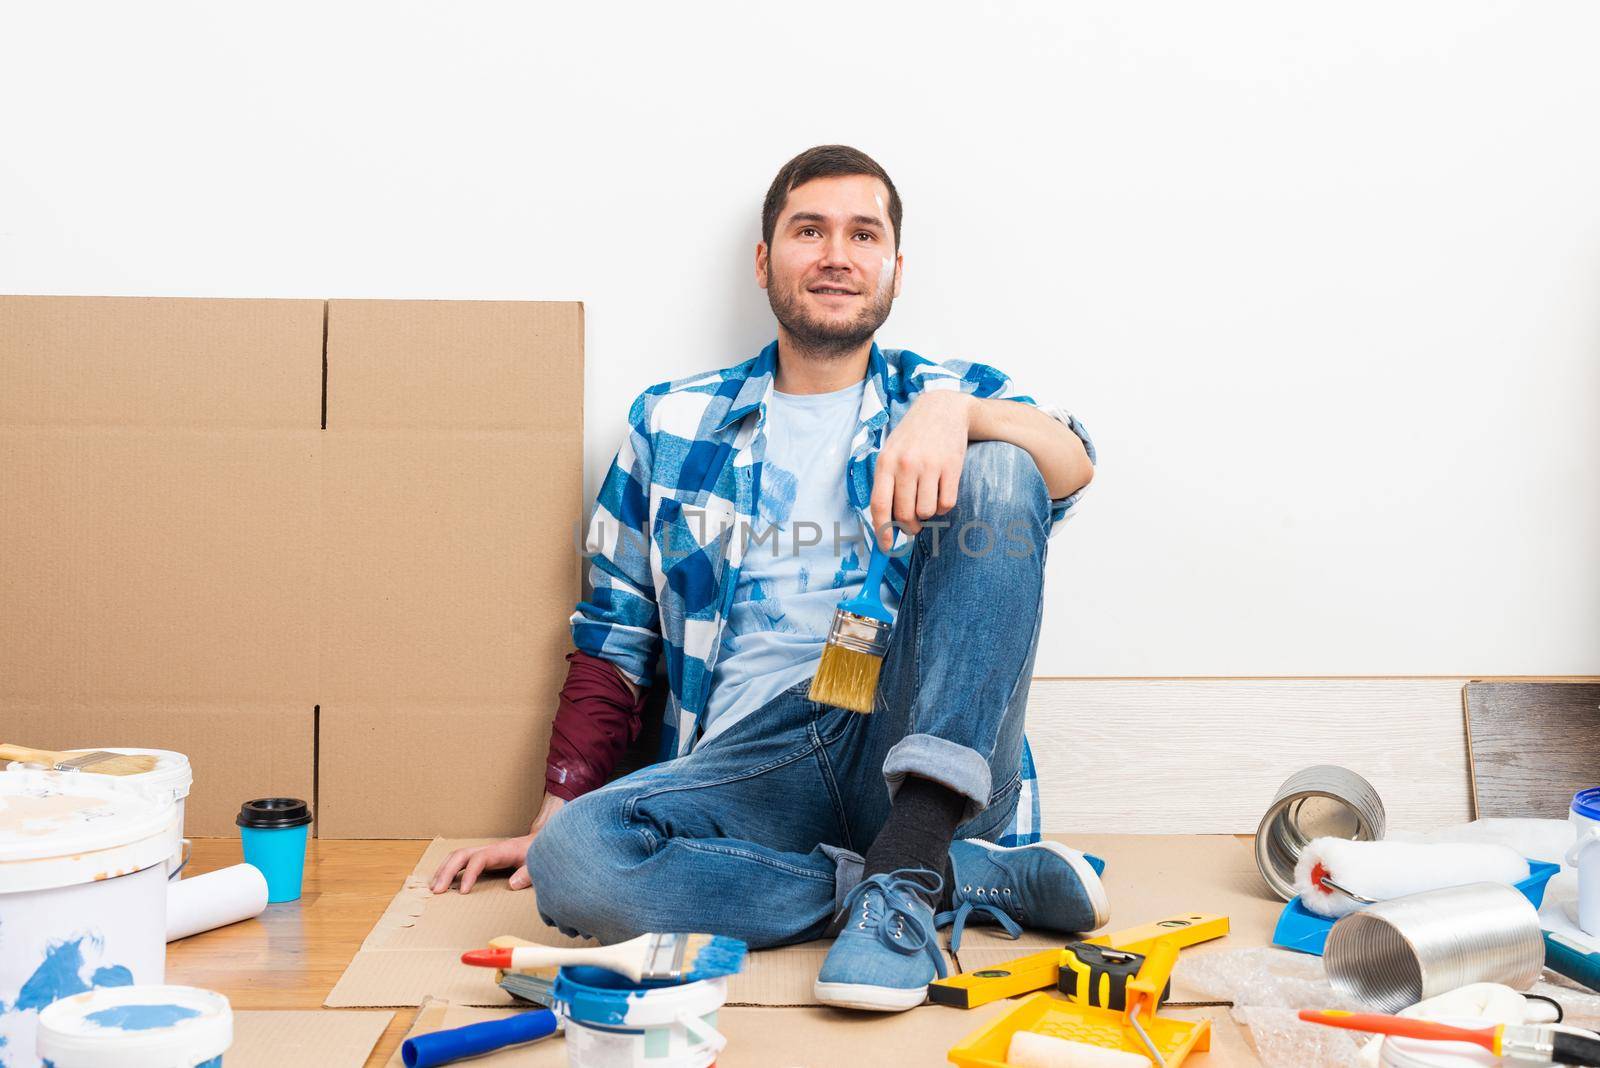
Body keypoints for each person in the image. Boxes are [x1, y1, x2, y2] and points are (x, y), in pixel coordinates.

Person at [429, 144, 1105, 1011]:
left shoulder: (956, 394)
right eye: (808, 230)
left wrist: (959, 414)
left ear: (895, 268)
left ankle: (918, 846)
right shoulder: (671, 421)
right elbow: (614, 636)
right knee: (575, 868)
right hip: (749, 764)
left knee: (1004, 472)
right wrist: (555, 817)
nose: (835, 254)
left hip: (889, 711)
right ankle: (927, 880)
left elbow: (1075, 463)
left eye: (864, 234)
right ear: (764, 260)